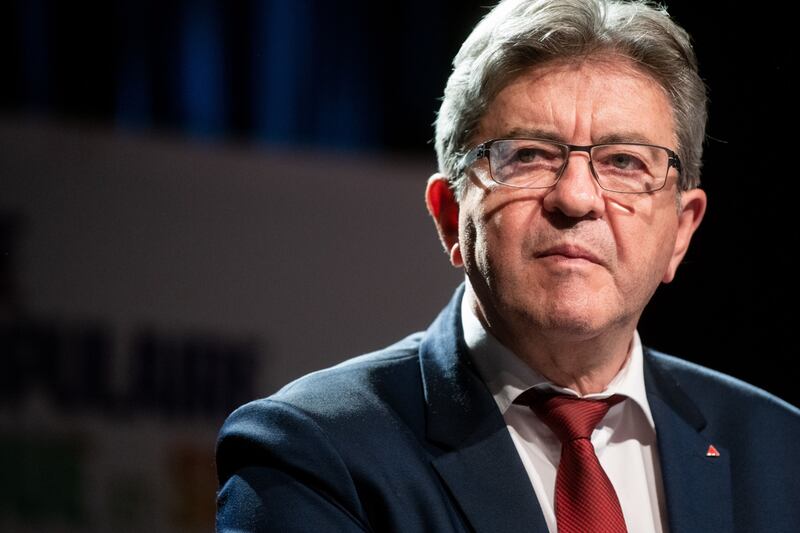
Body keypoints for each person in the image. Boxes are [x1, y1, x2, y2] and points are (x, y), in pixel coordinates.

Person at [216, 0, 800, 531]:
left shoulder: (780, 450)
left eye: (624, 161)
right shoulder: (316, 452)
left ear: (681, 230)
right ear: (450, 216)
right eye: (527, 156)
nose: (576, 199)